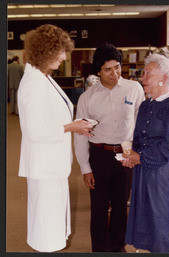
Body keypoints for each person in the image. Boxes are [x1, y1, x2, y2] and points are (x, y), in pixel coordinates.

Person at [17, 24, 93, 253]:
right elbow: (35, 131)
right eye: (60, 51)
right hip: (44, 167)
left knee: (53, 225)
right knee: (46, 230)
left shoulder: (43, 78)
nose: (63, 56)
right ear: (45, 51)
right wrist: (72, 126)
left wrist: (74, 127)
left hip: (52, 166)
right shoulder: (32, 84)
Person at [74, 43, 145, 252]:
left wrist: (136, 153)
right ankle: (100, 250)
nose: (114, 73)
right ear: (98, 70)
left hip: (125, 154)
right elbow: (80, 135)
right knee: (98, 207)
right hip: (99, 155)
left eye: (117, 67)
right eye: (107, 69)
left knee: (121, 206)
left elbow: (141, 124)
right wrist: (85, 167)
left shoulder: (134, 89)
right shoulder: (87, 98)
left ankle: (118, 247)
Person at [121, 52, 169, 253]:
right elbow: (139, 138)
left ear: (164, 78)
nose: (142, 78)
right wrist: (131, 155)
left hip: (162, 176)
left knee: (161, 224)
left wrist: (140, 157)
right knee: (146, 224)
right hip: (143, 172)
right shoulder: (145, 105)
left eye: (147, 74)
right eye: (143, 73)